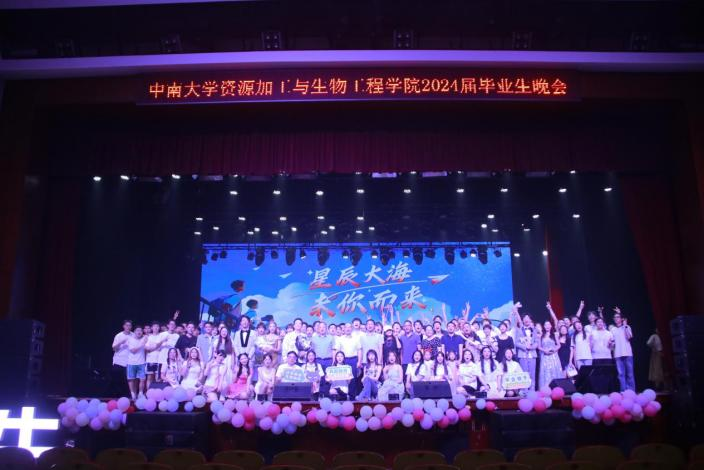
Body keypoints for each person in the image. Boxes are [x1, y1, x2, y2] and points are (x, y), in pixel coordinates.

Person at [333, 323, 362, 397]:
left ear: (351, 329)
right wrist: (336, 361)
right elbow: (337, 351)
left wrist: (359, 361)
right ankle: (343, 396)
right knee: (343, 378)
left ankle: (352, 397)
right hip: (343, 361)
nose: (348, 329)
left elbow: (359, 350)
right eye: (346, 327)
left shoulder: (356, 338)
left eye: (349, 327)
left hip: (353, 360)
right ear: (344, 329)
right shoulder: (340, 339)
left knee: (352, 379)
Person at [513, 303, 538, 389]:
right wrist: (524, 347)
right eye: (525, 318)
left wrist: (532, 347)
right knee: (524, 374)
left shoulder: (534, 330)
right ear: (522, 320)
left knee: (532, 374)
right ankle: (525, 391)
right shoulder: (519, 330)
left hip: (532, 354)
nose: (526, 320)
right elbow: (516, 342)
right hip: (522, 354)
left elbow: (536, 342)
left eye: (528, 318)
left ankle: (532, 390)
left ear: (530, 320)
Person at [610, 307, 635, 391]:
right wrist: (611, 344)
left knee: (630, 374)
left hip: (627, 354)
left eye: (618, 317)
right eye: (614, 317)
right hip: (618, 355)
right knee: (620, 375)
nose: (616, 319)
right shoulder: (613, 329)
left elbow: (629, 337)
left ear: (621, 319)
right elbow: (612, 342)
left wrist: (625, 325)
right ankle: (623, 391)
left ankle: (631, 391)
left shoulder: (627, 327)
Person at [111, 320, 133, 396]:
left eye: (130, 325)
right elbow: (114, 348)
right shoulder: (119, 335)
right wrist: (121, 342)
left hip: (129, 362)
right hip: (118, 361)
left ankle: (128, 396)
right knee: (117, 380)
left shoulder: (133, 335)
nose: (128, 327)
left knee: (128, 380)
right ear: (123, 326)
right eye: (127, 325)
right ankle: (117, 396)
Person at [538, 320, 562, 389]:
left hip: (554, 356)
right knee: (546, 372)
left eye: (548, 325)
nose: (547, 326)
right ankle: (546, 388)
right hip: (545, 356)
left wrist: (554, 350)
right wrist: (545, 351)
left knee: (555, 371)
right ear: (544, 326)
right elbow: (539, 347)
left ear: (551, 326)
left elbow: (559, 345)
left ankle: (556, 388)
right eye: (546, 325)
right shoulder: (541, 336)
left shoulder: (554, 335)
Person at [126, 326, 148, 400]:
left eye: (141, 330)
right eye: (137, 330)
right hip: (131, 363)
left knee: (142, 379)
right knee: (131, 379)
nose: (139, 332)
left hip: (141, 362)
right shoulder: (130, 339)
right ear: (134, 332)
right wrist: (142, 344)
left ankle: (140, 393)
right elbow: (133, 351)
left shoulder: (144, 338)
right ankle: (132, 394)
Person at [145, 321, 163, 389]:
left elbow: (161, 348)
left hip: (159, 360)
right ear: (151, 328)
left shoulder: (161, 336)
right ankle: (148, 392)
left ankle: (157, 393)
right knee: (149, 377)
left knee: (158, 378)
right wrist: (156, 346)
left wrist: (152, 346)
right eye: (154, 326)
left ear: (159, 328)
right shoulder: (148, 337)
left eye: (157, 326)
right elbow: (147, 348)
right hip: (150, 359)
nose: (155, 328)